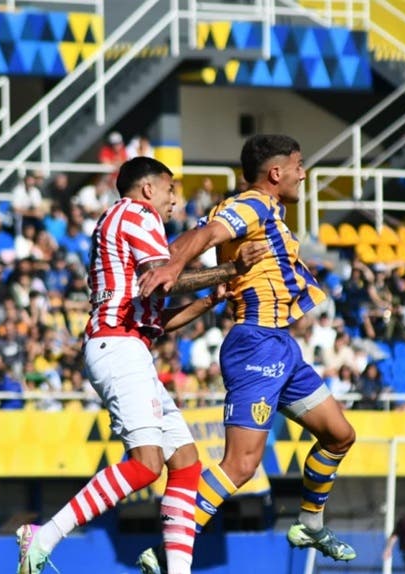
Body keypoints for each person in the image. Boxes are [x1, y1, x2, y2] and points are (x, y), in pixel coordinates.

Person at [17, 157, 265, 574]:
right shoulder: (138, 214)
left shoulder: (116, 221)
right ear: (149, 188)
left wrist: (210, 299)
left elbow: (156, 319)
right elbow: (165, 279)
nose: (174, 200)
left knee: (185, 462)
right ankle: (42, 537)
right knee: (146, 465)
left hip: (127, 345)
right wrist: (230, 269)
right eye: (171, 189)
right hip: (119, 347)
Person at [138, 134, 358, 563]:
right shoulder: (251, 204)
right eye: (298, 165)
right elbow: (204, 234)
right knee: (241, 464)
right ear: (276, 172)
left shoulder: (268, 211)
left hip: (281, 346)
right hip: (255, 345)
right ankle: (167, 550)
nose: (303, 174)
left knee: (339, 435)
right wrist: (171, 264)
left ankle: (310, 525)